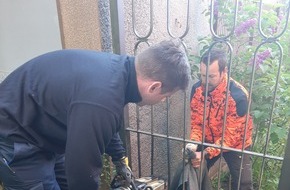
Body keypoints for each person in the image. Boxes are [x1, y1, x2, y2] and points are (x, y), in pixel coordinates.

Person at [0, 38, 191, 190]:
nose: (163, 101)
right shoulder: (102, 98)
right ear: (154, 87)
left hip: (42, 130)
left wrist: (119, 158)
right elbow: (82, 169)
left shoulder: (119, 73)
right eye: (166, 96)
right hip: (16, 137)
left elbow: (107, 123)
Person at [188, 48, 253, 190]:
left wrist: (204, 153)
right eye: (203, 75)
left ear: (224, 72)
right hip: (208, 138)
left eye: (211, 76)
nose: (205, 81)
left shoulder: (238, 95)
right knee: (191, 170)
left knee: (244, 183)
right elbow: (197, 123)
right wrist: (193, 143)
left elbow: (231, 137)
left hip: (236, 143)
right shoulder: (197, 90)